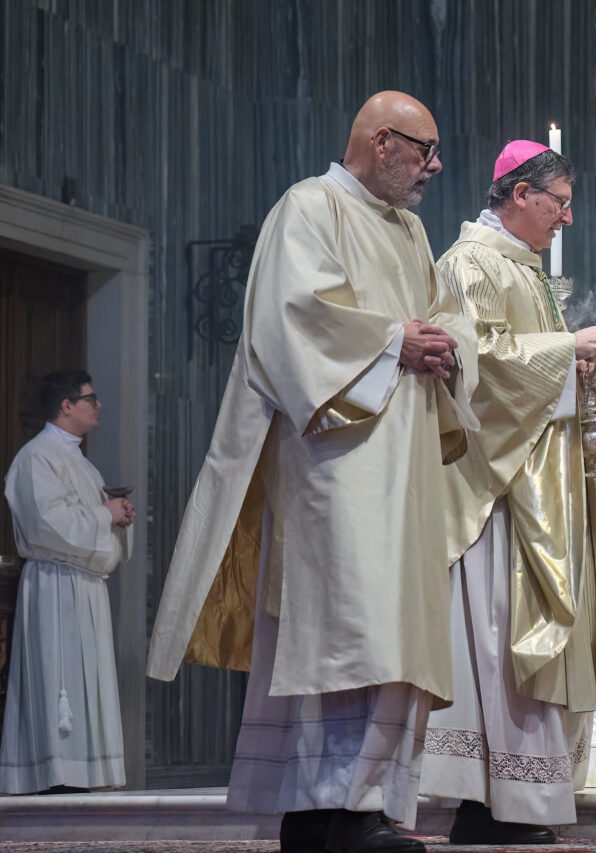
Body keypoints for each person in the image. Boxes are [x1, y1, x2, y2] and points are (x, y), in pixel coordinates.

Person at [146, 91, 478, 853]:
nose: (433, 167)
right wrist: (396, 341)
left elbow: (447, 312)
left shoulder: (412, 229)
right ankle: (325, 809)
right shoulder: (309, 206)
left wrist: (447, 343)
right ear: (382, 141)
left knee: (392, 633)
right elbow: (291, 319)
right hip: (338, 462)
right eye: (424, 150)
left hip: (405, 470)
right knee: (344, 629)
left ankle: (363, 805)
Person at [420, 140, 596, 845]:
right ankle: (488, 801)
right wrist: (564, 350)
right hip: (497, 490)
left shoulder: (524, 268)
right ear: (519, 194)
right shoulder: (467, 263)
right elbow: (474, 365)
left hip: (539, 482)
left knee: (526, 633)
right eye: (559, 202)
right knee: (497, 636)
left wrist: (579, 368)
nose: (567, 218)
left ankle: (525, 796)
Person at [0, 371, 131, 794]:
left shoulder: (80, 463)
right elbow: (45, 525)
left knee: (86, 679)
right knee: (60, 679)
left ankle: (85, 775)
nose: (99, 405)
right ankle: (56, 777)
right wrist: (104, 516)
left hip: (85, 587)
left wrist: (117, 518)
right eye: (91, 398)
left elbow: (89, 522)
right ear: (66, 406)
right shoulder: (37, 457)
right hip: (56, 586)